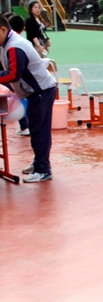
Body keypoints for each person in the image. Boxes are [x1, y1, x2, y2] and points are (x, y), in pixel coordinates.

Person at [0, 14, 57, 182]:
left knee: (40, 130)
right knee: (35, 129)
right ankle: (39, 162)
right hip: (32, 91)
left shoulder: (15, 46)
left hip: (41, 91)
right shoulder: (4, 43)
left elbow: (13, 74)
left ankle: (43, 169)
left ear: (3, 29)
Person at [8, 14, 29, 137]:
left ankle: (25, 126)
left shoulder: (14, 44)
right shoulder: (24, 42)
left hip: (17, 78)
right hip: (22, 79)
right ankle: (26, 126)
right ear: (24, 28)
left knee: (19, 100)